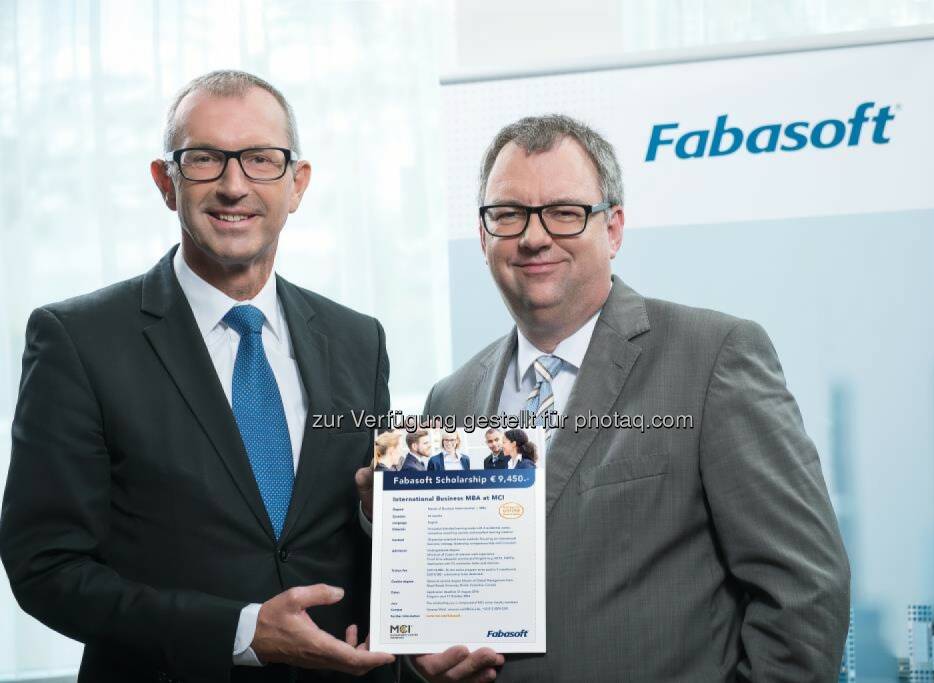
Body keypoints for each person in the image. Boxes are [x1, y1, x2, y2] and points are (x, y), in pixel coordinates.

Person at [410, 114, 851, 681]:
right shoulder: (449, 403)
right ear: (482, 234)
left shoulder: (713, 357)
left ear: (613, 229)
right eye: (508, 214)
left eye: (565, 213)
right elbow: (441, 608)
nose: (533, 236)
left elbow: (806, 589)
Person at [0, 71, 395, 682]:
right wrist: (239, 632)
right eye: (205, 159)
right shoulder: (77, 341)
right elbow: (45, 568)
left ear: (297, 184)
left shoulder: (357, 340)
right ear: (166, 182)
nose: (234, 186)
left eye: (261, 160)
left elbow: (367, 535)